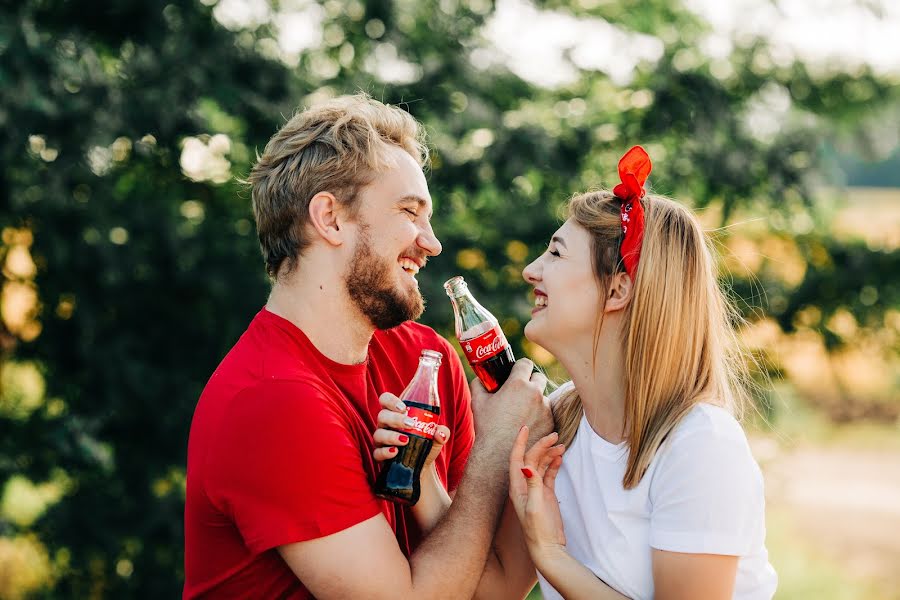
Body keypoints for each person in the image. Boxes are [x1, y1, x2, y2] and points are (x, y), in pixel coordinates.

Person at [183, 94, 551, 599]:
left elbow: (490, 585)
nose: (432, 242)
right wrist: (495, 446)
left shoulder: (429, 360)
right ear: (329, 218)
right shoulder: (271, 398)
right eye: (409, 212)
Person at [374, 146, 778, 599]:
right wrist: (420, 472)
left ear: (618, 289)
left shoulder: (699, 445)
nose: (531, 271)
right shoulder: (560, 420)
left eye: (555, 254)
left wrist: (550, 553)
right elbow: (493, 586)